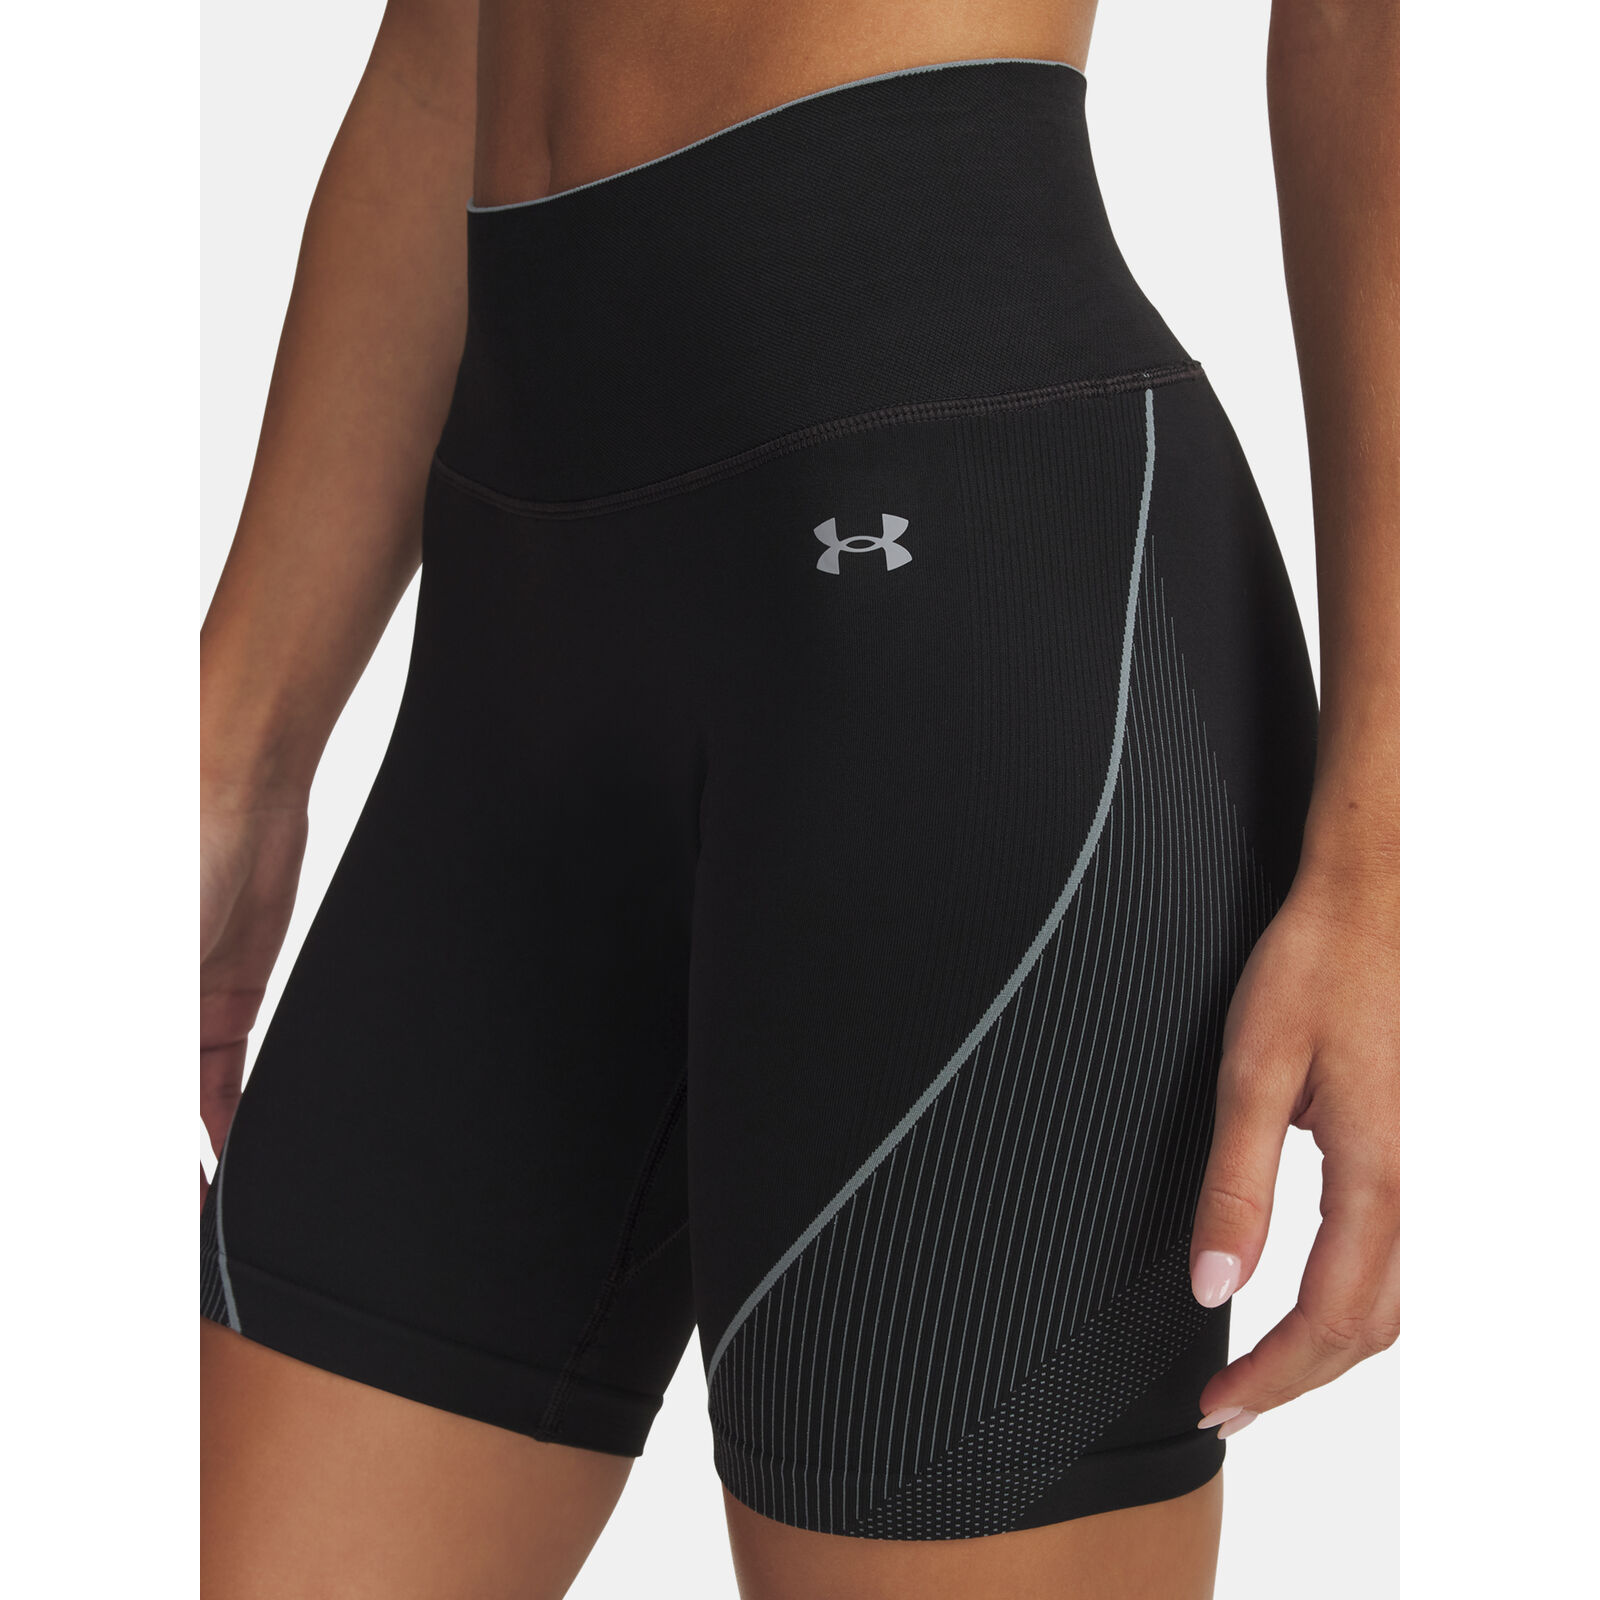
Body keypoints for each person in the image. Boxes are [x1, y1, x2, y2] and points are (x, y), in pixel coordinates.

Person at [199, 2, 1398, 1595]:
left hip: (969, 613)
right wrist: (236, 743)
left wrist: (1393, 861)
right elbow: (448, 48)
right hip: (520, 643)